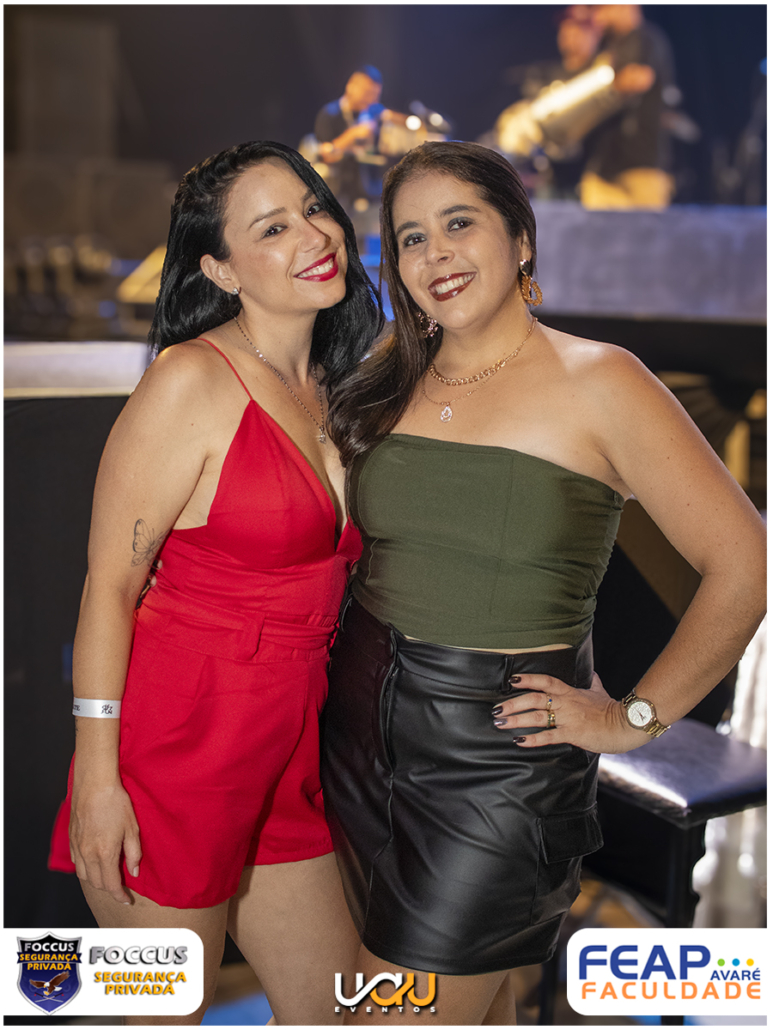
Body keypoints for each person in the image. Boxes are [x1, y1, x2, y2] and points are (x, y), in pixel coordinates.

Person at [322, 141, 766, 1025]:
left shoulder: (603, 380)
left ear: (520, 239)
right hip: (355, 733)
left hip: (495, 763)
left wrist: (628, 720)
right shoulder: (385, 376)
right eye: (411, 237)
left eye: (459, 223)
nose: (435, 254)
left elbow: (746, 566)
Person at [48, 140, 382, 1025]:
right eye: (272, 228)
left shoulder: (341, 382)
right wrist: (97, 782)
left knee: (338, 1013)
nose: (313, 234)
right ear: (220, 270)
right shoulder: (189, 380)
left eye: (313, 207)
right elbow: (109, 588)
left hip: (289, 744)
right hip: (175, 748)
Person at [578, 4, 678, 209]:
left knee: (646, 229)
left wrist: (595, 90)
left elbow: (639, 79)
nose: (597, 17)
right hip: (602, 168)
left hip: (641, 168)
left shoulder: (648, 39)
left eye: (601, 8)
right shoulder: (605, 44)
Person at [314, 66, 407, 211]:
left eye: (376, 95)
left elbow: (400, 120)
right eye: (368, 93)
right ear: (351, 87)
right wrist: (352, 134)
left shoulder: (374, 111)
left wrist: (407, 123)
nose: (372, 99)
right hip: (338, 194)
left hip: (370, 193)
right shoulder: (330, 114)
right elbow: (325, 155)